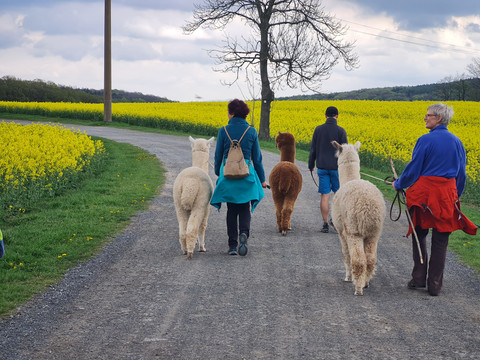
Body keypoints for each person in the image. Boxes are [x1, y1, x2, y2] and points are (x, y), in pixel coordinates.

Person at [392, 103, 477, 296]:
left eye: (428, 115)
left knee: (419, 233)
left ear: (438, 118)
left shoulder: (425, 140)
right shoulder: (457, 142)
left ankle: (419, 278)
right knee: (441, 239)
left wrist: (398, 184)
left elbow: (414, 169)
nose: (425, 118)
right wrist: (455, 196)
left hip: (423, 195)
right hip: (446, 195)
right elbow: (461, 174)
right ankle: (435, 285)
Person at [210, 99, 269, 256]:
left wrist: (218, 172)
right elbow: (257, 158)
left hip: (228, 174)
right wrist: (262, 179)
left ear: (232, 113)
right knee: (244, 208)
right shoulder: (251, 131)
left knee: (231, 210)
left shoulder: (223, 131)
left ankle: (232, 246)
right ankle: (244, 233)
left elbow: (217, 156)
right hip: (246, 174)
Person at [308, 106, 348, 233]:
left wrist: (310, 165)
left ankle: (325, 224)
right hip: (337, 169)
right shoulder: (341, 131)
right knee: (338, 195)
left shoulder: (318, 130)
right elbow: (345, 151)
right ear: (337, 116)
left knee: (324, 196)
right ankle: (337, 223)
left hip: (322, 167)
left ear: (325, 116)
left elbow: (313, 149)